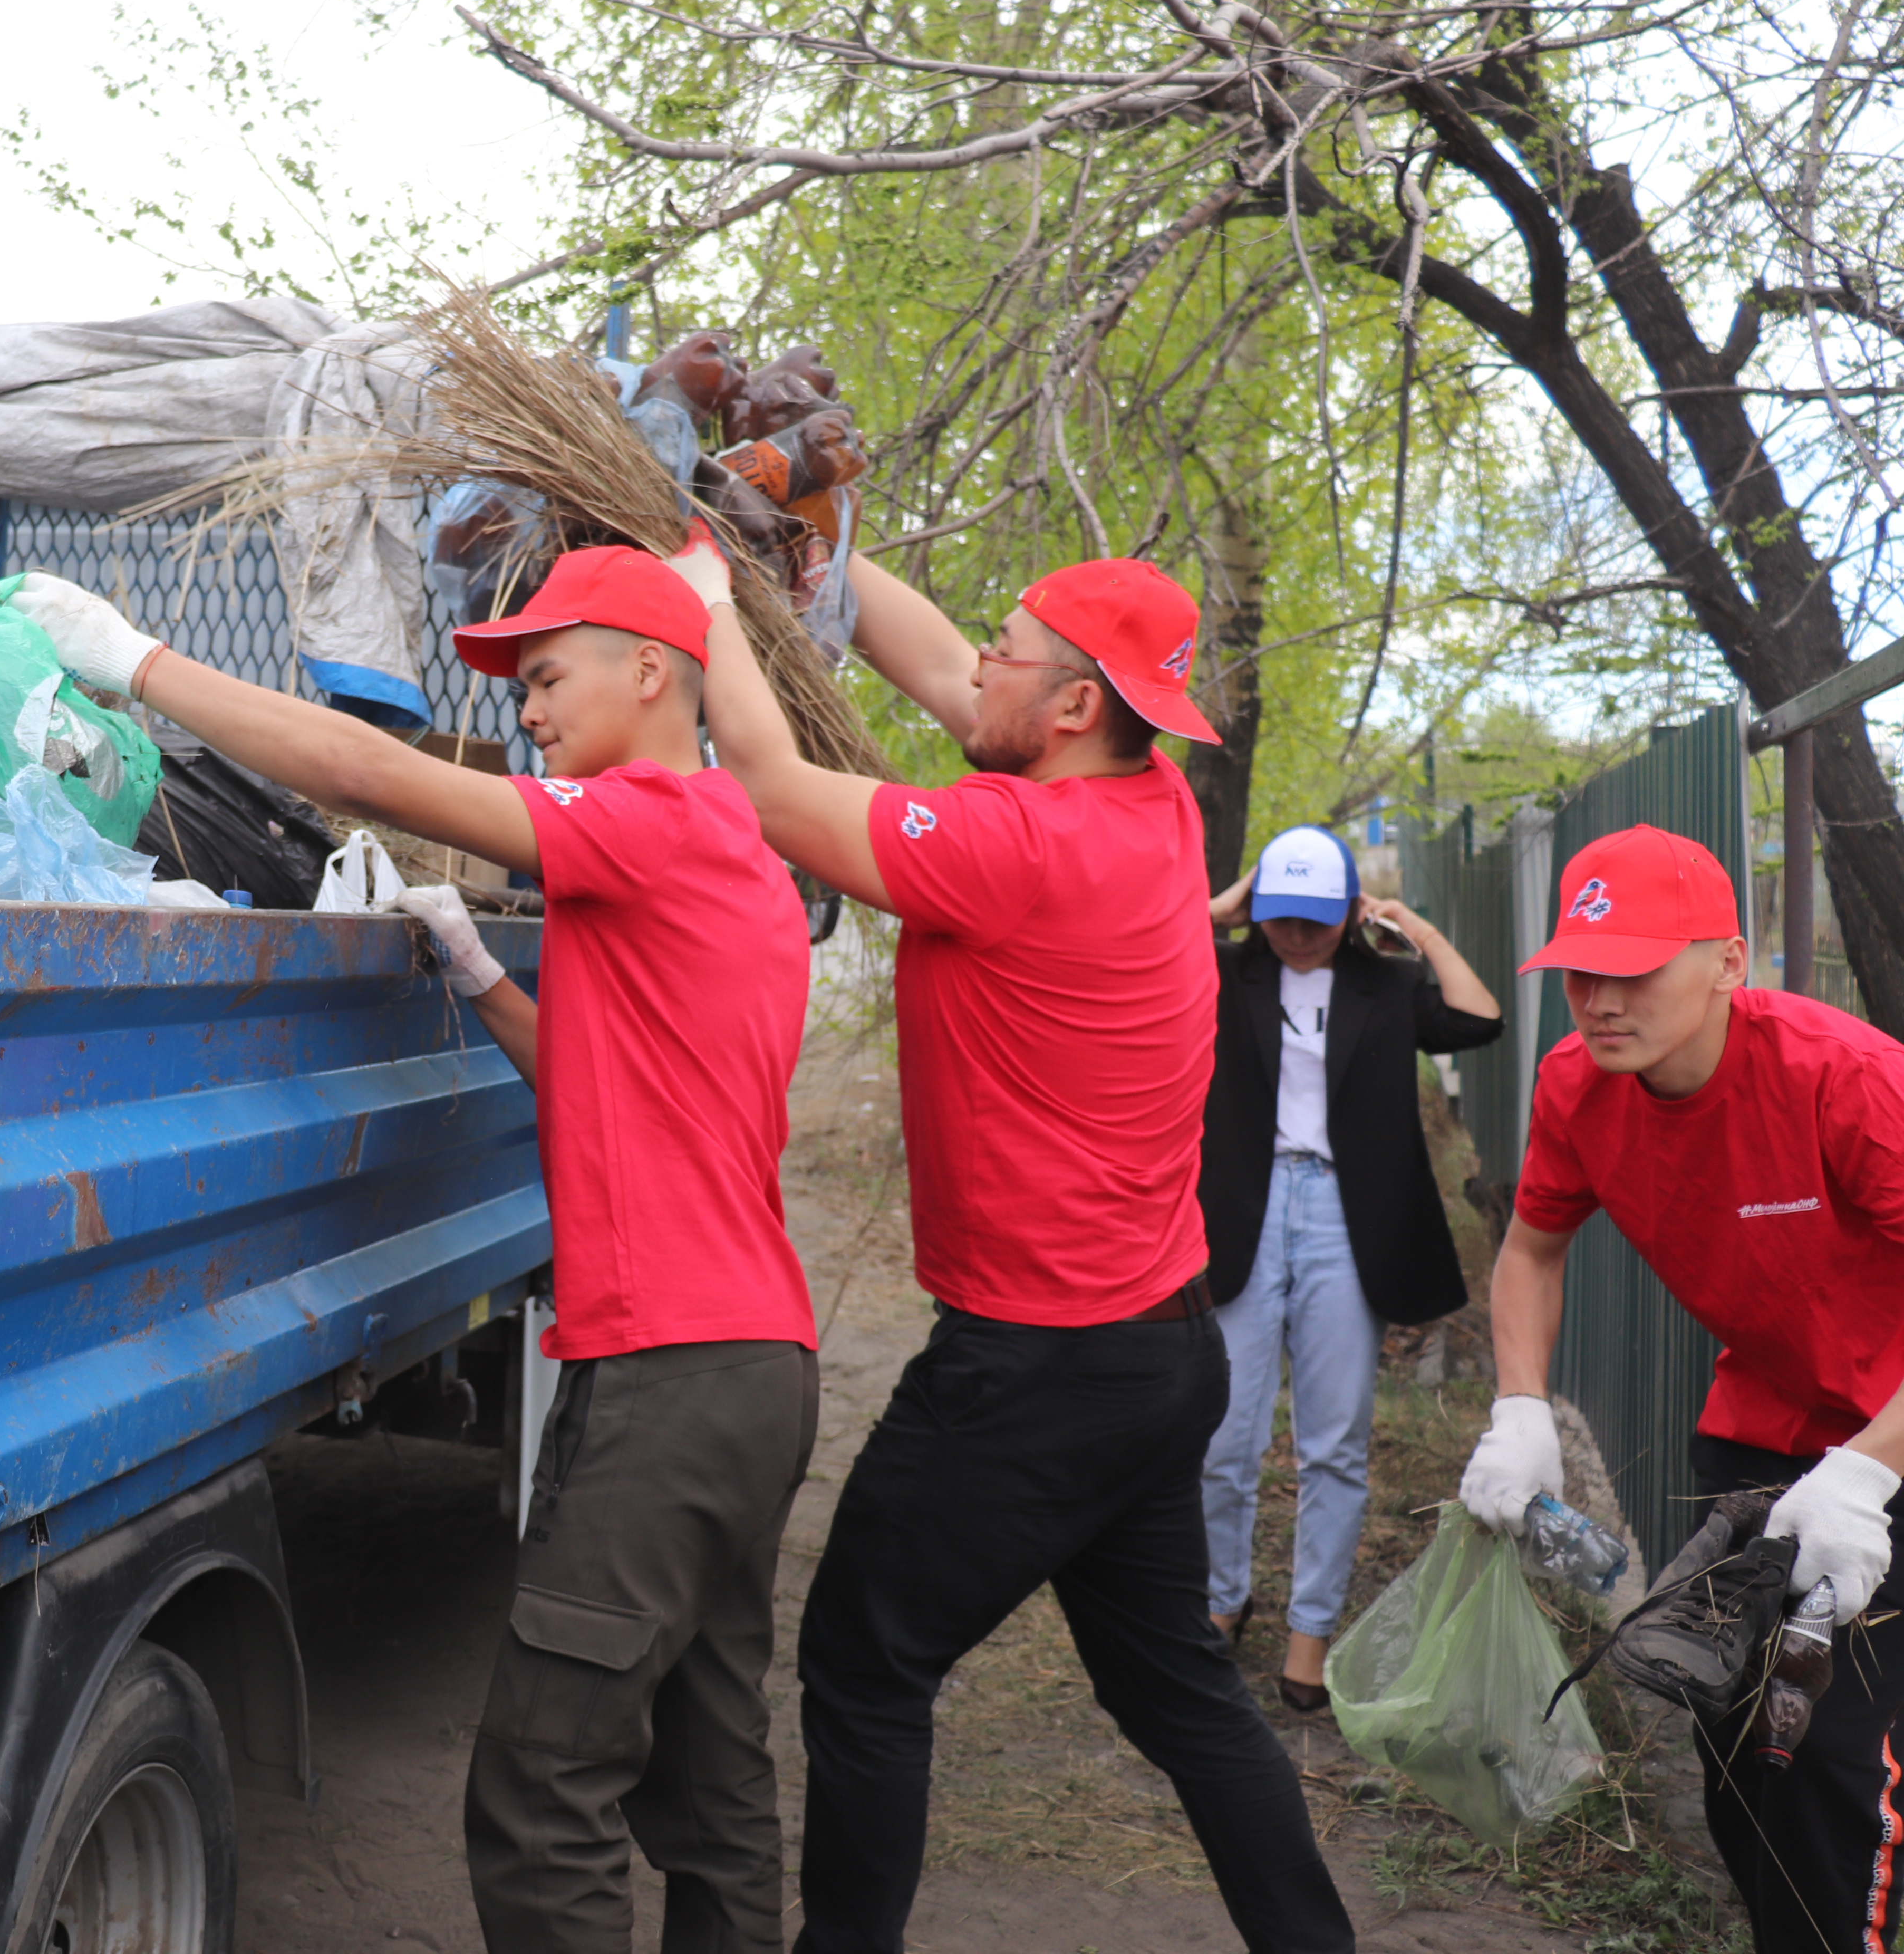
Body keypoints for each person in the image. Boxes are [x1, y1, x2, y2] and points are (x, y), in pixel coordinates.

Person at [6, 548, 822, 1954]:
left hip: (673, 1379)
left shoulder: (653, 817)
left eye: (548, 677)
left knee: (543, 1791)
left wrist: (134, 661)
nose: (530, 714)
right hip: (751, 1368)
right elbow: (614, 1084)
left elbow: (369, 777)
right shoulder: (728, 851)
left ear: (653, 670)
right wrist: (486, 975)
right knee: (710, 1778)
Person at [664, 535, 1356, 1954]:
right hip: (1158, 1358)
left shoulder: (1017, 848)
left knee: (864, 1662)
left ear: (1073, 709)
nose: (978, 656)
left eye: (1013, 645)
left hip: (1039, 1373)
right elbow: (941, 670)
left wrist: (698, 606)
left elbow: (772, 789)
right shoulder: (1148, 804)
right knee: (1174, 1692)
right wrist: (816, 569)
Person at [1458, 823, 1904, 1954]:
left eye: (1636, 966)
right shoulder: (1579, 1086)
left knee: (1828, 1767)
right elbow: (1531, 1247)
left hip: (1889, 1443)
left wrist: (1867, 1469)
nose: (1600, 998)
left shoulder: (1840, 1077)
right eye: (1580, 970)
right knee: (1741, 1757)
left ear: (1729, 963)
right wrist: (1519, 1405)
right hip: (1762, 1440)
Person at [1197, 824, 1504, 1712]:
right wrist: (1218, 909)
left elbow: (1482, 1019)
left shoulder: (1390, 984)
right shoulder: (1226, 972)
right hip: (1245, 1216)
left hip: (1344, 1216)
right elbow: (1127, 958)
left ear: (1349, 913)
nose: (1299, 936)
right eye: (1281, 918)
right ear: (1260, 911)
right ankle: (1220, 1601)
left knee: (1335, 1443)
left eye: (1318, 920)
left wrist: (1417, 930)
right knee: (1224, 1438)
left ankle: (1311, 1630)